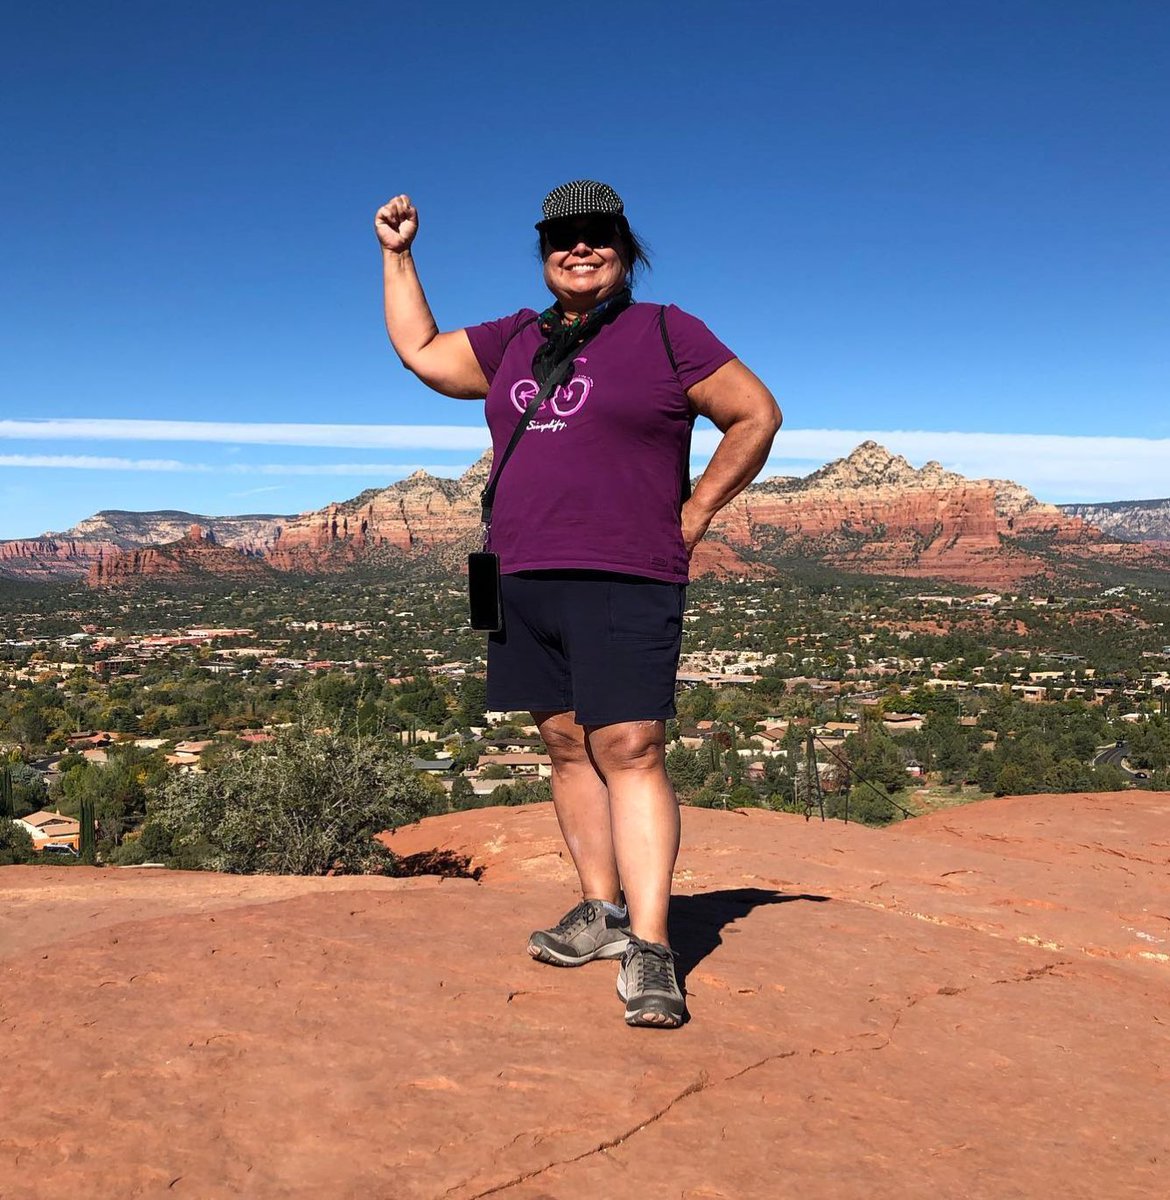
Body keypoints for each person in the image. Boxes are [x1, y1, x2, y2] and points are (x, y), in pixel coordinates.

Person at [375, 180, 781, 1028]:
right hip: (522, 571)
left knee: (629, 745)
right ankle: (600, 910)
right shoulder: (514, 338)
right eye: (562, 237)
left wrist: (696, 512)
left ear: (625, 247)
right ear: (544, 251)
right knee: (563, 743)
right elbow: (420, 351)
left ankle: (653, 944)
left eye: (598, 235)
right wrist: (399, 254)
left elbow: (754, 414)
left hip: (627, 570)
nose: (579, 248)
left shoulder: (667, 330)